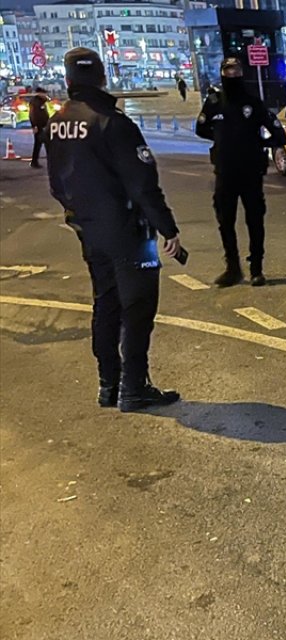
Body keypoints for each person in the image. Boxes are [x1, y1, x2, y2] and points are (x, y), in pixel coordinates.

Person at [44, 48, 183, 413]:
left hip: (89, 230)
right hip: (128, 232)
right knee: (137, 310)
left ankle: (108, 384)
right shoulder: (112, 122)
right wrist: (167, 228)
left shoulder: (57, 122)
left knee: (105, 304)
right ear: (102, 77)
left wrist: (77, 214)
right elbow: (142, 184)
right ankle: (134, 388)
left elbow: (56, 183)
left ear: (69, 80)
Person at [196, 57, 286, 287]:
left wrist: (254, 143)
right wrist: (222, 141)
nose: (232, 74)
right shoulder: (214, 102)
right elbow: (201, 128)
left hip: (251, 173)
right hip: (225, 173)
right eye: (228, 70)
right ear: (222, 73)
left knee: (255, 221)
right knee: (225, 221)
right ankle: (233, 269)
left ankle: (256, 268)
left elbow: (278, 135)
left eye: (236, 69)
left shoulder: (253, 103)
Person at [27, 87, 51, 169]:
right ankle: (37, 162)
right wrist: (34, 126)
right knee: (46, 144)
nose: (46, 95)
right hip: (40, 127)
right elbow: (33, 115)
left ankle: (35, 161)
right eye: (44, 93)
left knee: (39, 144)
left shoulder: (41, 101)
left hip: (43, 126)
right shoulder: (36, 102)